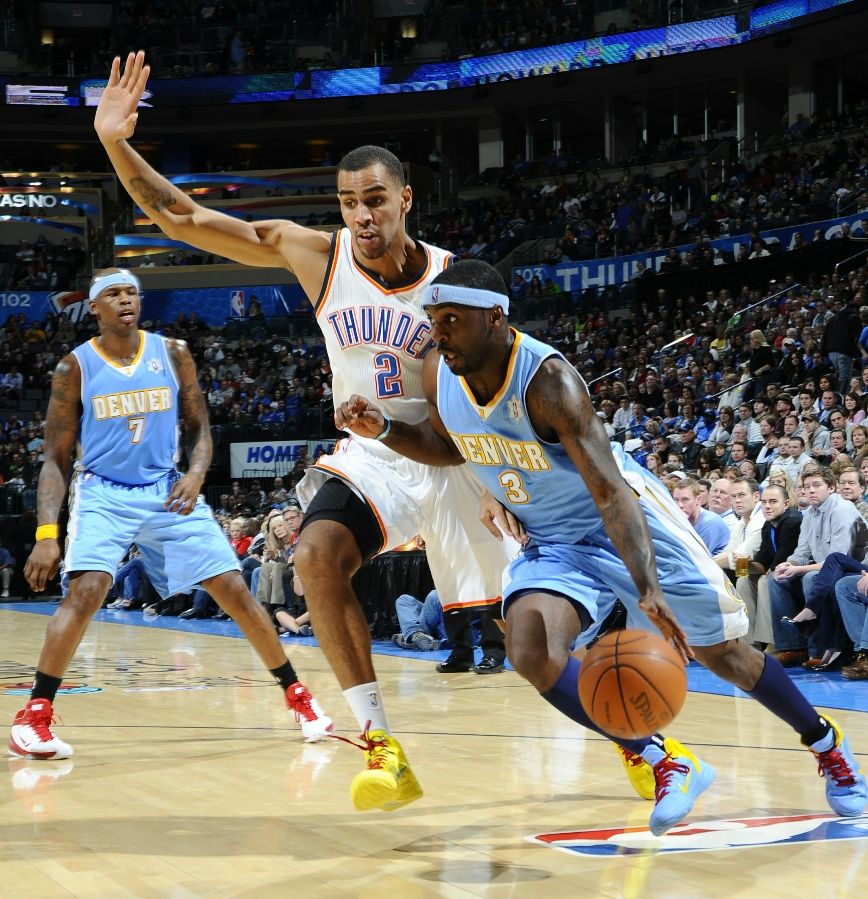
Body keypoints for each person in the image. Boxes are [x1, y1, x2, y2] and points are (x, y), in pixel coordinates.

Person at [95, 52, 513, 812]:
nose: (362, 215)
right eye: (349, 201)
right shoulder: (316, 255)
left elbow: (488, 400)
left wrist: (500, 480)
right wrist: (117, 143)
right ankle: (382, 746)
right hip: (377, 454)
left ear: (406, 199)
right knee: (316, 555)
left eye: (376, 200)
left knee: (535, 639)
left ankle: (644, 747)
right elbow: (184, 219)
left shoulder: (458, 280)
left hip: (459, 458)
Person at [337, 259, 867, 831]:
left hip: (627, 522)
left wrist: (647, 592)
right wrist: (386, 431)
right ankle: (660, 758)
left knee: (724, 656)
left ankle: (827, 746)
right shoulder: (443, 371)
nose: (437, 333)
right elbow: (451, 446)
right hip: (553, 540)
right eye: (433, 320)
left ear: (494, 318)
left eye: (450, 320)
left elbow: (612, 495)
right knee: (530, 647)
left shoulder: (548, 382)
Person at [9, 268, 332, 760]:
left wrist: (198, 473)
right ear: (93, 308)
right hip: (104, 493)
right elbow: (54, 459)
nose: (125, 301)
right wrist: (47, 534)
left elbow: (201, 428)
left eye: (131, 293)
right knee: (87, 590)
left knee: (235, 591)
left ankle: (298, 696)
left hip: (167, 489)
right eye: (113, 294)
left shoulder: (173, 352)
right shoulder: (73, 368)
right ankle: (34, 714)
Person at [737, 484, 802, 649]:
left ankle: (773, 641)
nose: (767, 506)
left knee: (766, 581)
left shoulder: (792, 522)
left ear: (786, 504)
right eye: (764, 502)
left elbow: (780, 563)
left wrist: (764, 570)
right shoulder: (768, 525)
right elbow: (762, 564)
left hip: (798, 573)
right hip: (780, 571)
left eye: (773, 501)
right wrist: (746, 563)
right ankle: (750, 642)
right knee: (744, 580)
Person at [671, 479, 730, 555]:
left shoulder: (710, 522)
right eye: (676, 500)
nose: (680, 505)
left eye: (685, 500)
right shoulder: (681, 519)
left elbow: (695, 557)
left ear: (698, 499)